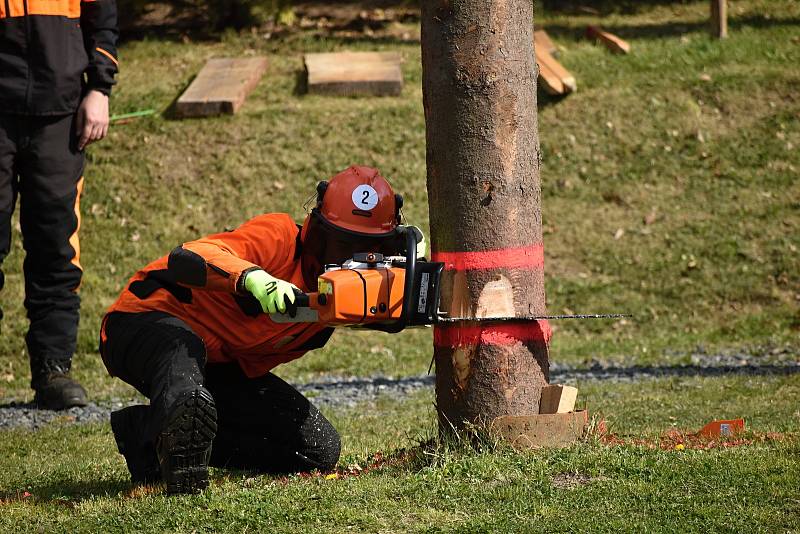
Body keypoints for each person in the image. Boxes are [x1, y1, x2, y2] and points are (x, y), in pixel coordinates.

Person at [100, 166, 419, 494]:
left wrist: (408, 282)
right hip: (142, 323)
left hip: (219, 364)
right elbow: (188, 256)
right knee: (185, 354)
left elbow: (401, 314)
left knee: (317, 451)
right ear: (315, 232)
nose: (344, 261)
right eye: (337, 246)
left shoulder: (355, 295)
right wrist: (253, 278)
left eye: (363, 251)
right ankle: (182, 480)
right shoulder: (279, 236)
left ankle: (146, 433)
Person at [0, 0, 119, 409]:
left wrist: (100, 87)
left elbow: (102, 19)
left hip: (61, 112)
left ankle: (53, 371)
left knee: (56, 249)